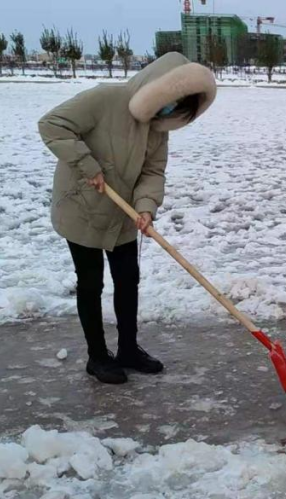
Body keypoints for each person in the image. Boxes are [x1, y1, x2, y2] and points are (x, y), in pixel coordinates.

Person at [38, 53, 217, 385]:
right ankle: (97, 356)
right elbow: (52, 125)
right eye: (171, 102)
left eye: (178, 109)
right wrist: (87, 165)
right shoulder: (106, 98)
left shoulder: (158, 130)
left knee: (127, 278)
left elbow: (152, 172)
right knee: (90, 282)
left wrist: (146, 206)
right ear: (158, 88)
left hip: (122, 215)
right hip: (81, 207)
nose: (169, 111)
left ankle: (128, 350)